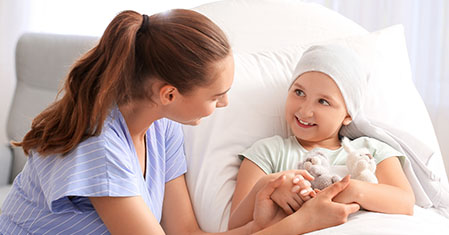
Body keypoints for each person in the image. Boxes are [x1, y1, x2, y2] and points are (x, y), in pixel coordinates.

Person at [0, 10, 359, 235]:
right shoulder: (100, 149)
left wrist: (260, 223)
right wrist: (300, 224)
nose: (225, 103)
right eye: (216, 95)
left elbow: (185, 232)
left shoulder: (162, 126)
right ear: (169, 94)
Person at [229, 44, 416, 230]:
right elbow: (235, 226)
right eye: (299, 92)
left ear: (348, 115)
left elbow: (405, 202)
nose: (305, 110)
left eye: (323, 101)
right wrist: (269, 187)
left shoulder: (370, 150)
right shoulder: (268, 152)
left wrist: (350, 190)